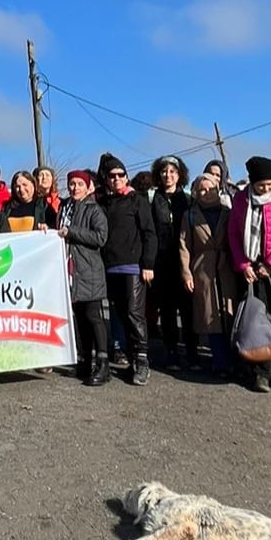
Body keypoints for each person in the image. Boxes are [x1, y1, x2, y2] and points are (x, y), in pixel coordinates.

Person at [227, 158, 271, 394]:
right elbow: (234, 235)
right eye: (261, 185)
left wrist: (270, 264)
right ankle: (262, 373)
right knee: (258, 322)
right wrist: (243, 264)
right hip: (252, 269)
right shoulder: (241, 200)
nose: (266, 189)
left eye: (270, 184)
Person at [97, 154, 157, 386]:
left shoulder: (137, 200)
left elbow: (149, 233)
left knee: (134, 313)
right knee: (121, 315)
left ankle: (142, 359)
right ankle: (131, 357)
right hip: (111, 267)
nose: (117, 179)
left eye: (121, 175)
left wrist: (148, 264)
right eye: (112, 176)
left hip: (133, 267)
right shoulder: (103, 203)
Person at [178, 174, 238, 378]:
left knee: (229, 313)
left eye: (210, 188)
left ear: (217, 189)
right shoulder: (190, 215)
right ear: (195, 192)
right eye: (201, 189)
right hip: (202, 267)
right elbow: (184, 246)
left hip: (227, 267)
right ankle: (220, 362)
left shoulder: (228, 212)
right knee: (210, 317)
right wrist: (186, 272)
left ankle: (235, 360)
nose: (206, 193)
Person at [60, 169, 111, 386]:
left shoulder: (94, 209)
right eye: (72, 184)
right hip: (71, 271)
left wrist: (72, 232)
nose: (75, 188)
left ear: (87, 186)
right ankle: (85, 361)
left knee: (93, 317)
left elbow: (100, 237)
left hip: (89, 270)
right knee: (80, 318)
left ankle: (103, 363)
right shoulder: (65, 207)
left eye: (79, 184)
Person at [148, 155, 192, 370]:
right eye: (164, 171)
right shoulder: (151, 198)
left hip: (186, 260)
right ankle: (171, 350)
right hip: (161, 260)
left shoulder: (189, 198)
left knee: (188, 307)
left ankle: (192, 351)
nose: (168, 175)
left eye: (172, 171)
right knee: (166, 309)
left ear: (179, 174)